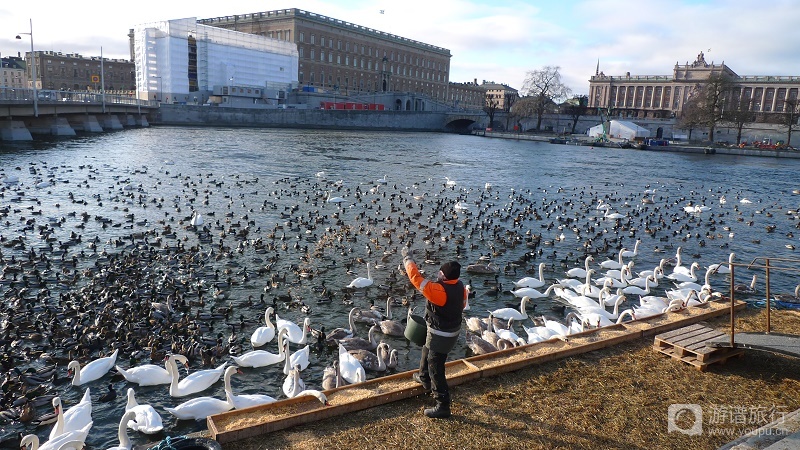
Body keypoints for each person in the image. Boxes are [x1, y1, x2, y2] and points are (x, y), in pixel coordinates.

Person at [402, 246, 467, 418]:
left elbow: (416, 279)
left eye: (439, 273)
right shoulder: (461, 287)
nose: (437, 274)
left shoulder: (439, 291)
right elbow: (461, 306)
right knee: (426, 346)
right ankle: (423, 377)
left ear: (444, 276)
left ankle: (442, 404)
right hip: (451, 330)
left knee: (436, 367)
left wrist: (408, 259)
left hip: (442, 335)